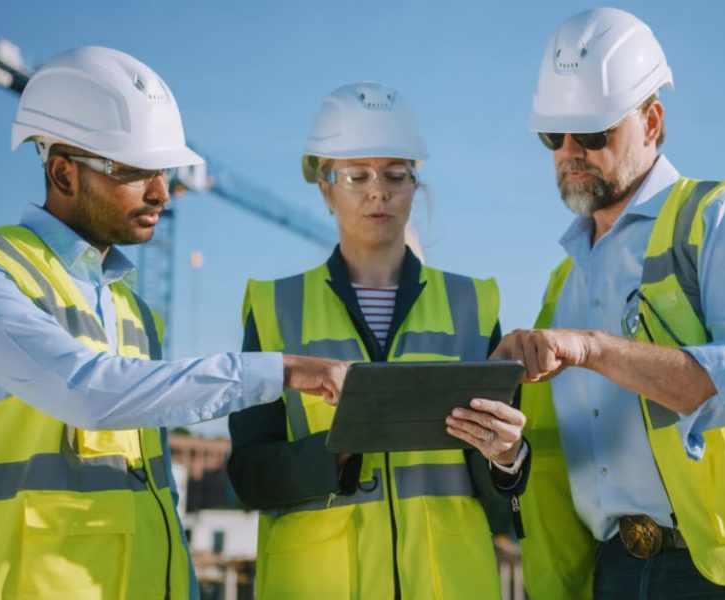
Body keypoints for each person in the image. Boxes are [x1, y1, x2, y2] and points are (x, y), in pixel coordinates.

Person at [0, 46, 347, 599]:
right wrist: (277, 371)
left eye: (162, 170)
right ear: (62, 172)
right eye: (134, 170)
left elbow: (157, 490)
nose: (162, 192)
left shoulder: (132, 310)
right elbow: (86, 388)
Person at [496, 8, 725, 599]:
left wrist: (594, 349)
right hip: (614, 571)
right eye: (552, 136)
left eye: (591, 134)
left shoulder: (721, 219)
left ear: (652, 121)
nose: (568, 151)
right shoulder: (564, 282)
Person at [227, 82, 530, 600]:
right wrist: (336, 455)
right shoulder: (274, 309)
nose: (378, 191)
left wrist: (509, 459)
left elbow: (500, 503)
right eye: (356, 176)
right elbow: (251, 475)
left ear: (415, 186)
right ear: (325, 187)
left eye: (395, 175)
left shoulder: (472, 307)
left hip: (448, 585)